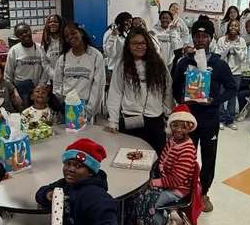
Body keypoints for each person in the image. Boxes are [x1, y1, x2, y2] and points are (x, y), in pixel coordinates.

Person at [172, 18, 235, 212]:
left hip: (209, 120)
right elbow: (174, 87)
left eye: (204, 36)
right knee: (185, 157)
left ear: (211, 38)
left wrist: (214, 101)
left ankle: (204, 192)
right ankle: (183, 191)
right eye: (197, 36)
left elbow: (232, 88)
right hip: (188, 120)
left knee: (208, 158)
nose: (200, 40)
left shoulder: (218, 63)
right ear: (192, 38)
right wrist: (183, 102)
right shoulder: (184, 62)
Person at [125, 105, 199, 225]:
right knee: (137, 192)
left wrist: (155, 182)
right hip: (166, 181)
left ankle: (163, 223)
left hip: (177, 190)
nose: (178, 130)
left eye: (183, 127)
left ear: (189, 127)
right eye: (175, 125)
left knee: (145, 201)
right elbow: (163, 160)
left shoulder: (187, 150)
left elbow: (176, 180)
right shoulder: (172, 140)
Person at [105, 26, 173, 155]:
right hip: (131, 118)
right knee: (130, 157)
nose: (139, 46)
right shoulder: (122, 64)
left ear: (148, 44)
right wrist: (113, 121)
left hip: (155, 119)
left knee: (157, 158)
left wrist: (169, 114)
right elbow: (115, 92)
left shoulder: (158, 63)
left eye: (142, 43)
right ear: (128, 45)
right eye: (135, 43)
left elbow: (167, 89)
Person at [52, 23, 106, 119]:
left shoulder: (96, 56)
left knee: (83, 134)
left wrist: (89, 110)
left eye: (73, 33)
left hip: (85, 105)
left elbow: (98, 85)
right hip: (66, 105)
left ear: (81, 32)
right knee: (66, 133)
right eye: (67, 36)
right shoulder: (63, 58)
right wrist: (60, 105)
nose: (70, 37)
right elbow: (57, 83)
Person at [215, 18, 248, 130]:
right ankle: (221, 119)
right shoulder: (221, 40)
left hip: (236, 73)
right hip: (222, 71)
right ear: (228, 27)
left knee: (232, 96)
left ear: (239, 28)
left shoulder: (242, 41)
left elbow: (243, 58)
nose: (233, 27)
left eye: (236, 26)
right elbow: (218, 57)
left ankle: (230, 119)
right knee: (220, 95)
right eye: (231, 25)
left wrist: (236, 49)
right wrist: (227, 48)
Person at [4, 23, 46, 106]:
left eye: (26, 31)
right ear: (17, 37)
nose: (24, 34)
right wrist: (15, 93)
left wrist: (40, 87)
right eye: (20, 34)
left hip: (39, 89)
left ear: (30, 31)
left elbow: (45, 70)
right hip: (21, 91)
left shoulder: (41, 48)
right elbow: (7, 76)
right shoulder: (14, 50)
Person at [40, 14, 64, 84]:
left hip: (67, 76)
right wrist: (53, 75)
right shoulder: (46, 42)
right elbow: (44, 62)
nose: (52, 23)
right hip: (52, 78)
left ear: (60, 24)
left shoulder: (65, 40)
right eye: (50, 22)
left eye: (55, 22)